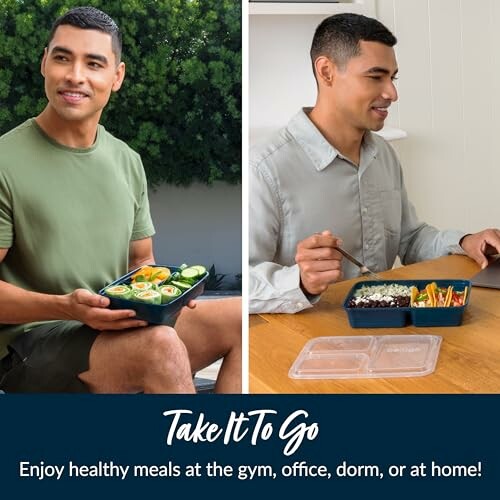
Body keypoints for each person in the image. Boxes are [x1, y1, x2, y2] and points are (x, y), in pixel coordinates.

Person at [0, 6, 241, 393]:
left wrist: (169, 299)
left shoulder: (127, 160)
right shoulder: (5, 161)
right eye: (63, 58)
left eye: (94, 63)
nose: (75, 76)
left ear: (117, 77)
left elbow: (140, 261)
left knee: (241, 316)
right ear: (44, 62)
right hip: (30, 343)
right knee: (161, 347)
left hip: (116, 325)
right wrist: (65, 306)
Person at [249, 13, 500, 314]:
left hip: (387, 334)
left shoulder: (383, 154)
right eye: (375, 77)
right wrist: (300, 281)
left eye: (392, 78)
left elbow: (409, 238)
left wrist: (466, 241)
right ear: (326, 72)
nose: (391, 93)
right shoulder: (264, 168)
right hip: (301, 347)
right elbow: (242, 283)